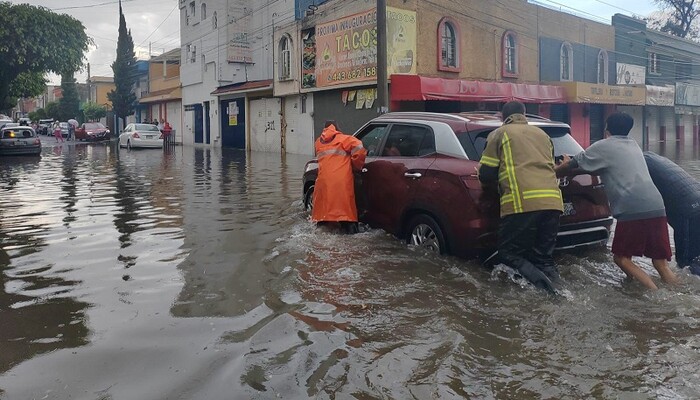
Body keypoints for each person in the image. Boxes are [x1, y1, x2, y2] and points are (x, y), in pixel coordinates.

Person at [556, 112, 678, 290]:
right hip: (657, 206)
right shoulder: (633, 145)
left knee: (621, 258)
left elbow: (572, 165)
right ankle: (672, 292)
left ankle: (655, 295)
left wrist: (554, 170)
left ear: (606, 129)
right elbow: (608, 168)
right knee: (660, 263)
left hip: (632, 208)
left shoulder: (604, 146)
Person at [478, 101, 564, 293]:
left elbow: (486, 174)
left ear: (502, 116)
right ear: (524, 114)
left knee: (508, 253)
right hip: (553, 202)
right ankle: (562, 292)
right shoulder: (543, 135)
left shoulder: (500, 134)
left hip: (522, 203)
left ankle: (549, 293)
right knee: (544, 258)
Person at [644, 151, 700, 275]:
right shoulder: (652, 157)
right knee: (696, 256)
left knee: (686, 264)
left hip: (688, 211)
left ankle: (689, 290)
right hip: (696, 200)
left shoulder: (640, 164)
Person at [312, 120, 367, 234]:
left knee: (323, 216)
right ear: (337, 129)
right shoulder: (344, 139)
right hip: (341, 180)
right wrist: (356, 165)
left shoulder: (318, 142)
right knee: (346, 213)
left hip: (323, 182)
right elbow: (360, 148)